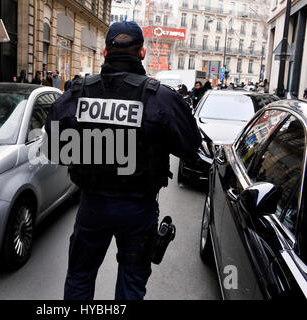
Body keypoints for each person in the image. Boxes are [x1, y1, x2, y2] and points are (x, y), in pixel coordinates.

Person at [45, 21, 201, 300]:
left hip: (92, 206)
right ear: (142, 53)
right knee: (131, 283)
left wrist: (87, 150)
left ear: (105, 51)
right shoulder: (160, 98)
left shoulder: (79, 93)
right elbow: (190, 148)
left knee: (80, 277)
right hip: (138, 210)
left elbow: (56, 146)